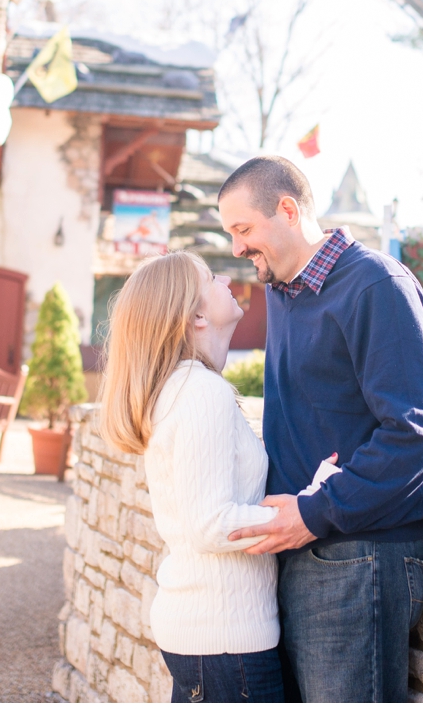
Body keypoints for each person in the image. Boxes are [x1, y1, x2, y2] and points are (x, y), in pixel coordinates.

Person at [218, 155, 423, 702]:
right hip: (301, 551)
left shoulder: (376, 285)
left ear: (288, 210)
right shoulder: (283, 290)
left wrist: (314, 513)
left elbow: (417, 429)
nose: (236, 249)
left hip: (356, 559)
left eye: (243, 230)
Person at [99, 251, 285, 703]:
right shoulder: (200, 392)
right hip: (224, 639)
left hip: (210, 636)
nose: (224, 277)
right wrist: (300, 515)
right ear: (196, 314)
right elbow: (211, 524)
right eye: (209, 277)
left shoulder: (186, 388)